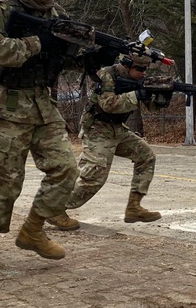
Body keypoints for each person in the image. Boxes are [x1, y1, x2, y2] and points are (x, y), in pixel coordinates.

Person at [0, 0, 80, 269]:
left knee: (66, 169)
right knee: (6, 183)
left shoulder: (56, 17)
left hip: (43, 106)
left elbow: (64, 57)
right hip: (7, 107)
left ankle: (33, 230)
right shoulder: (3, 11)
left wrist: (83, 55)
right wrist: (36, 44)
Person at [47, 53, 162, 230]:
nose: (143, 73)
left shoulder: (138, 82)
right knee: (94, 176)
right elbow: (108, 104)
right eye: (139, 69)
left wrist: (161, 97)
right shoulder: (107, 74)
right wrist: (137, 94)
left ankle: (134, 207)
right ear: (127, 66)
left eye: (145, 69)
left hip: (117, 129)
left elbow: (152, 107)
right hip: (98, 129)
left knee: (146, 156)